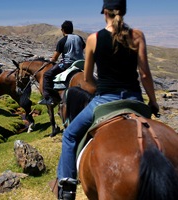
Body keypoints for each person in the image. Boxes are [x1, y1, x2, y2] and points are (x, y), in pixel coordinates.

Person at [56, 0, 159, 199]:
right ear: (124, 11)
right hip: (135, 101)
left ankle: (67, 189)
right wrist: (153, 102)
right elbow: (144, 74)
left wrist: (100, 91)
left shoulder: (94, 39)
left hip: (104, 101)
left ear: (104, 11)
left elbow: (86, 80)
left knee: (69, 135)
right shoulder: (137, 36)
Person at [38, 20, 85, 105]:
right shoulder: (79, 38)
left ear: (63, 30)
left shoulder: (63, 41)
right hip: (81, 63)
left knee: (47, 75)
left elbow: (55, 58)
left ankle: (48, 98)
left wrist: (50, 60)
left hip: (68, 64)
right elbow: (83, 47)